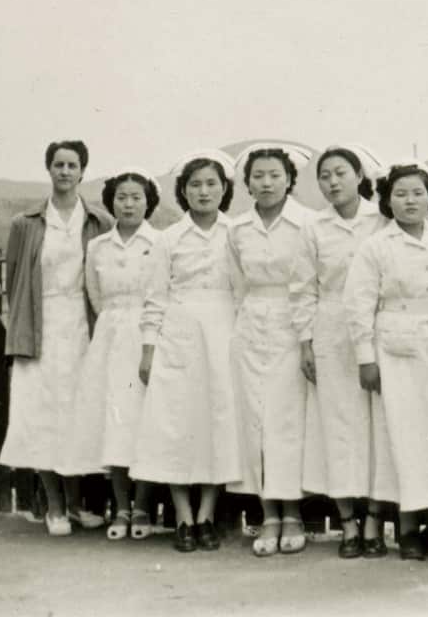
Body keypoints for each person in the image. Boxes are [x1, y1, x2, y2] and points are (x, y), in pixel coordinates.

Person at [344, 160, 428, 561]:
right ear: (387, 200)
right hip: (394, 351)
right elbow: (358, 304)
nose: (410, 201)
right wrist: (366, 358)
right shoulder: (376, 247)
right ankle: (409, 528)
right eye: (400, 194)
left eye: (417, 193)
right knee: (402, 439)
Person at [0, 140, 113, 536]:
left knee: (80, 412)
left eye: (72, 165)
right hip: (41, 327)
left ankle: (79, 504)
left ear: (83, 172)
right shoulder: (26, 223)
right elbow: (14, 281)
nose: (65, 171)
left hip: (84, 327)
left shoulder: (99, 222)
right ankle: (55, 507)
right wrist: (25, 328)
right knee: (44, 414)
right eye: (58, 164)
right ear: (48, 170)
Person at [130, 149, 241, 552]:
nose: (204, 191)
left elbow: (242, 292)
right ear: (183, 191)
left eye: (212, 183)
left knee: (217, 423)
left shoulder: (236, 233)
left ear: (224, 188)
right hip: (178, 336)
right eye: (195, 184)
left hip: (224, 334)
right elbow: (154, 299)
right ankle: (183, 516)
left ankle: (207, 515)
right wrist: (148, 350)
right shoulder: (168, 239)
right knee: (176, 424)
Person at [292, 144, 391, 559]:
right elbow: (302, 288)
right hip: (331, 332)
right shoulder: (314, 228)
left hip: (377, 330)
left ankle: (374, 522)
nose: (332, 182)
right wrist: (306, 342)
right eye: (325, 176)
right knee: (338, 428)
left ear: (359, 175)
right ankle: (348, 523)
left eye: (340, 173)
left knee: (378, 427)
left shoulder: (382, 219)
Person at [226, 142, 317, 556]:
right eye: (258, 176)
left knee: (288, 421)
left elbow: (310, 283)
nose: (266, 183)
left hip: (293, 325)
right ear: (247, 183)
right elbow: (236, 284)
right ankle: (268, 515)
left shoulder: (308, 224)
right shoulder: (237, 229)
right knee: (255, 420)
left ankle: (293, 512)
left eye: (274, 175)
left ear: (289, 180)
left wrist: (306, 338)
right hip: (250, 327)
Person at [65, 167, 162, 540]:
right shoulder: (98, 247)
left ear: (148, 202)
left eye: (136, 197)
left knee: (144, 423)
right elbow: (95, 295)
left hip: (146, 337)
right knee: (114, 424)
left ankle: (142, 509)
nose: (128, 203)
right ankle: (120, 508)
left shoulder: (160, 242)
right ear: (111, 202)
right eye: (121, 197)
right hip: (109, 338)